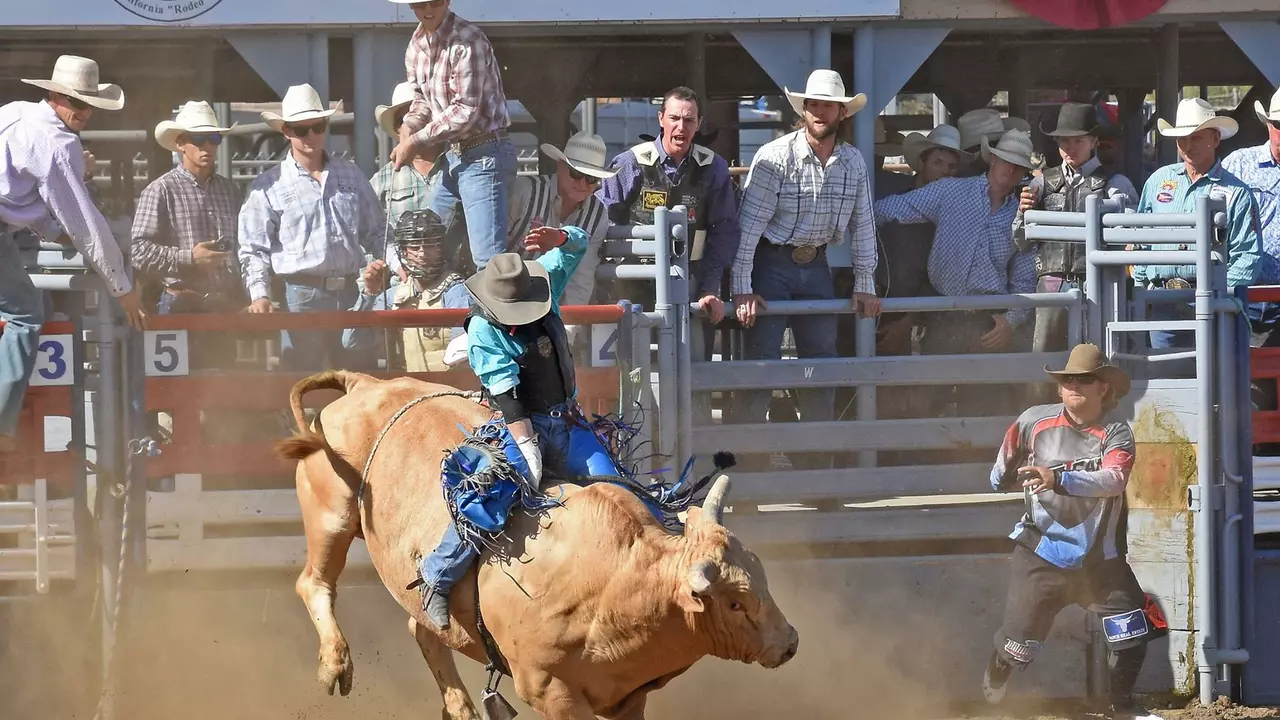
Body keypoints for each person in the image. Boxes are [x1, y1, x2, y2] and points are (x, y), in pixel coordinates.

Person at [417, 224, 624, 629]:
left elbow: (575, 248)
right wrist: (529, 448)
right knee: (491, 498)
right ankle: (437, 577)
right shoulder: (482, 332)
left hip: (568, 419)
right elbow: (509, 400)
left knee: (616, 489)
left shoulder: (539, 285)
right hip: (522, 425)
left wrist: (561, 238)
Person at [983, 343, 1167, 720]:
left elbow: (1114, 480)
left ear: (1104, 388)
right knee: (1017, 646)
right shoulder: (1032, 421)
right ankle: (998, 667)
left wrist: (1058, 478)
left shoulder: (1116, 434)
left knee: (1132, 635)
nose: (1074, 386)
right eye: (1068, 380)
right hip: (1040, 551)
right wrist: (1008, 479)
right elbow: (998, 474)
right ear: (1058, 387)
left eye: (1085, 380)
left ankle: (1123, 706)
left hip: (1100, 560)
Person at [731, 69, 882, 471]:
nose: (818, 111)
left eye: (826, 105)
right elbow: (748, 231)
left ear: (840, 112)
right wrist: (743, 286)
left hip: (816, 263)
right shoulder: (774, 157)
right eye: (812, 104)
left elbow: (863, 224)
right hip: (772, 262)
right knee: (761, 366)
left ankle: (816, 473)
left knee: (822, 364)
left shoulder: (853, 163)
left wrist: (865, 283)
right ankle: (748, 474)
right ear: (804, 109)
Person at [0, 54, 147, 452]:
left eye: (88, 104)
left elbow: (23, 198)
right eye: (77, 102)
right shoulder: (61, 145)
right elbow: (87, 225)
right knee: (26, 315)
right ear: (55, 95)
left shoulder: (15, 111)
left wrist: (52, 230)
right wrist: (122, 286)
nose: (83, 112)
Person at [873, 129, 1039, 423]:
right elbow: (889, 210)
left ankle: (975, 469)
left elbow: (1024, 280)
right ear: (992, 161)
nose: (1010, 170)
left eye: (1017, 167)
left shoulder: (1023, 216)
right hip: (942, 314)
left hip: (987, 321)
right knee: (924, 404)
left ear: (1023, 174)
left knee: (980, 408)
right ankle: (931, 465)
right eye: (1005, 162)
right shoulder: (951, 191)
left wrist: (1010, 321)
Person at [238, 83, 387, 372]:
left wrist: (392, 264)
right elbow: (253, 248)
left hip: (350, 292)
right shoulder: (269, 185)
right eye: (301, 129)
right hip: (301, 295)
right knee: (304, 380)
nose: (311, 136)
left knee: (359, 379)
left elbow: (377, 231)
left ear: (325, 126)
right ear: (287, 132)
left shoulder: (351, 174)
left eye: (317, 127)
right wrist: (260, 294)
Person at [1131, 98, 1262, 372]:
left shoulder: (1237, 193)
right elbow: (1141, 236)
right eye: (1181, 139)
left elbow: (1248, 257)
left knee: (1213, 383)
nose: (1187, 146)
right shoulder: (1158, 181)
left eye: (1195, 138)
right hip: (1163, 301)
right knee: (1164, 384)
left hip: (1212, 305)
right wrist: (1143, 284)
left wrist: (1215, 292)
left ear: (1215, 138)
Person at [389, 0, 517, 272]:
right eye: (419, 5)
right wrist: (409, 126)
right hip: (459, 155)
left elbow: (465, 110)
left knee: (488, 261)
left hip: (485, 155)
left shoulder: (468, 41)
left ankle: (492, 313)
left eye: (434, 2)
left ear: (446, 1)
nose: (428, 11)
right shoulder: (416, 45)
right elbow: (422, 101)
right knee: (431, 245)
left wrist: (414, 140)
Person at [595, 85, 737, 323]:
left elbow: (724, 231)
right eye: (674, 118)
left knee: (691, 356)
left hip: (689, 284)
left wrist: (709, 288)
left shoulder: (714, 168)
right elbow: (600, 218)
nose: (681, 127)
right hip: (631, 283)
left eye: (689, 120)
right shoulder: (631, 163)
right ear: (661, 118)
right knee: (634, 357)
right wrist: (608, 277)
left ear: (699, 123)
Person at [1012, 103, 1139, 362]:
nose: (1070, 147)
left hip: (1099, 284)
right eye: (1064, 141)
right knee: (1044, 361)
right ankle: (1046, 403)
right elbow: (1021, 242)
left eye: (1078, 140)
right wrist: (1024, 212)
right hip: (1052, 284)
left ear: (1093, 141)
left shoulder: (1115, 184)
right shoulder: (1041, 184)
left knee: (1100, 359)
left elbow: (1131, 238)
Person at [132, 100, 247, 365]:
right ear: (181, 143)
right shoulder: (160, 190)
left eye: (213, 138)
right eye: (198, 139)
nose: (207, 146)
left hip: (223, 304)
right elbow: (138, 250)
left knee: (220, 387)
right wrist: (190, 259)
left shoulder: (230, 191)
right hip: (179, 303)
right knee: (179, 390)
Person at [342, 209, 469, 370]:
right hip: (407, 388)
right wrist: (369, 293)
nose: (422, 254)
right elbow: (353, 341)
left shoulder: (456, 291)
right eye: (415, 247)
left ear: (440, 249)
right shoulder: (394, 296)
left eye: (430, 245)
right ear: (403, 252)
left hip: (447, 388)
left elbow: (464, 356)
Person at [507, 130, 615, 308]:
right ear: (560, 166)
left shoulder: (598, 213)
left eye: (591, 178)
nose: (582, 184)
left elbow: (581, 280)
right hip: (506, 293)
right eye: (575, 173)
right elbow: (494, 251)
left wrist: (567, 332)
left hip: (548, 304)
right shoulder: (525, 191)